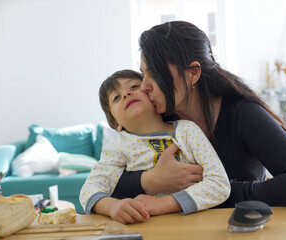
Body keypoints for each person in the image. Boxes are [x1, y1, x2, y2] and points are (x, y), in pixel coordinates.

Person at [111, 21, 286, 207]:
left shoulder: (242, 114)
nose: (145, 86)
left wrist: (206, 193)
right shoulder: (160, 120)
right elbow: (102, 185)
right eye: (143, 74)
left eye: (154, 74)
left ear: (193, 73)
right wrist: (149, 181)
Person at [79, 70, 230, 224]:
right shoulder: (117, 147)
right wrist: (113, 206)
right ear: (116, 123)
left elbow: (220, 184)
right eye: (116, 97)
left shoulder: (188, 130)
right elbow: (88, 190)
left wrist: (164, 204)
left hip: (195, 224)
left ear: (151, 95)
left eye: (133, 87)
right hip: (145, 227)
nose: (125, 94)